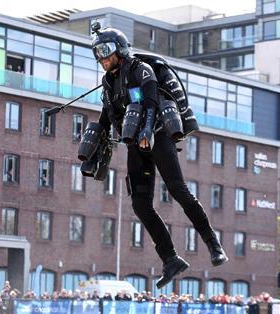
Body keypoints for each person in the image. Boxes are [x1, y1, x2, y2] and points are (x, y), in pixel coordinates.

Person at [90, 23, 227, 289]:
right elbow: (107, 116)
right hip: (135, 145)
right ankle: (170, 258)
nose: (102, 57)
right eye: (97, 53)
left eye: (105, 50)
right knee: (140, 204)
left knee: (177, 189)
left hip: (158, 134)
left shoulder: (141, 69)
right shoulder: (108, 82)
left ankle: (213, 243)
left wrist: (146, 134)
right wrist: (94, 147)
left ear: (119, 49)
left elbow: (150, 102)